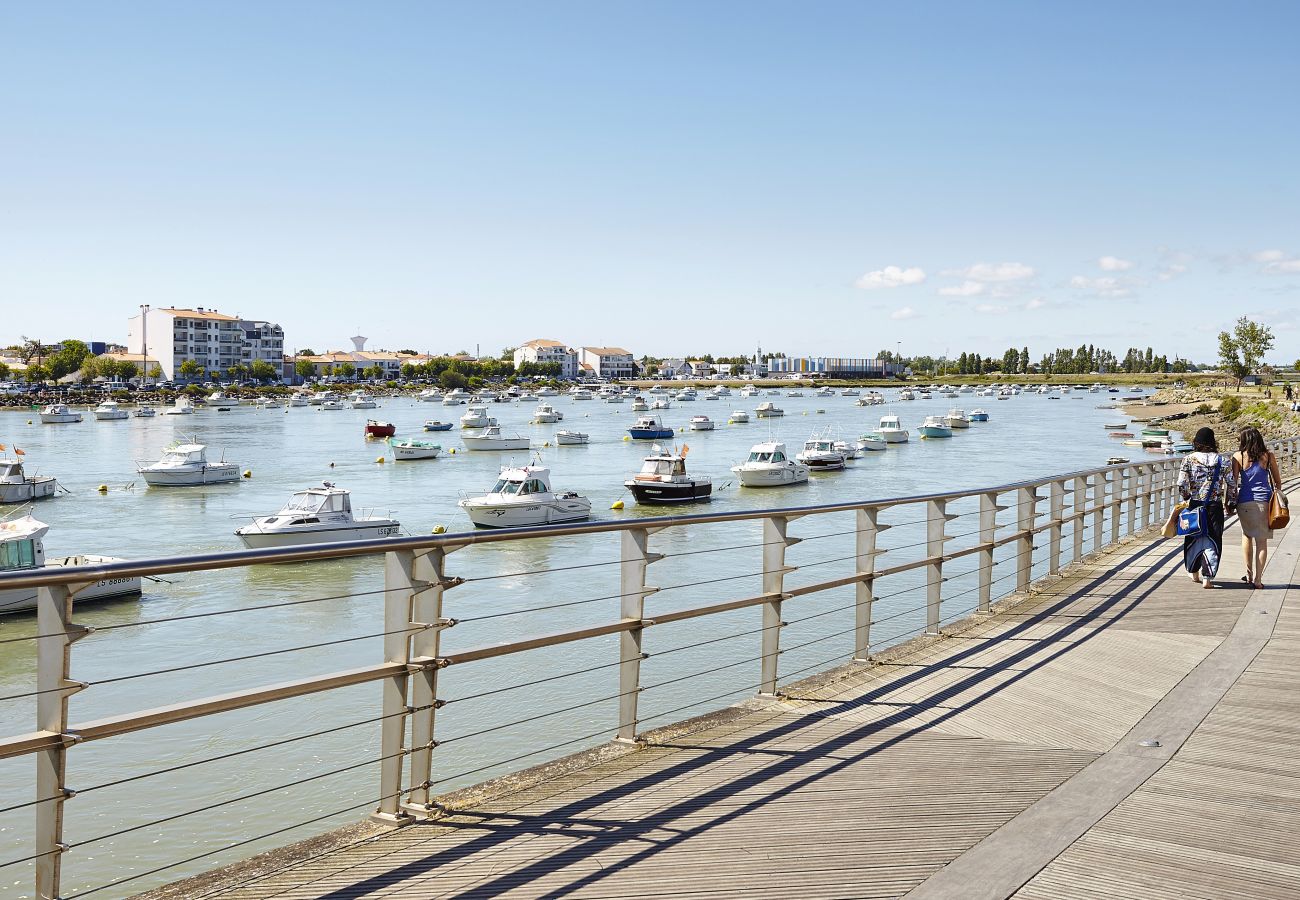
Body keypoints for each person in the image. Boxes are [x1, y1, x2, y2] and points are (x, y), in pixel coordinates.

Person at [1177, 427, 1237, 589]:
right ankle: (1207, 578)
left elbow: (1181, 484)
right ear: (1213, 442)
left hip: (1195, 504)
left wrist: (1187, 497)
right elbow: (1231, 484)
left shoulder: (1188, 459)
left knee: (1192, 537)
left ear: (1196, 442)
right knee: (1213, 539)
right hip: (1214, 506)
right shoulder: (1222, 460)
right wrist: (1230, 503)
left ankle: (1194, 572)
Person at [1232, 426, 1281, 588]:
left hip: (1244, 502)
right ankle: (1258, 580)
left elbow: (1233, 483)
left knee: (1247, 536)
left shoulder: (1238, 456)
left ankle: (1249, 574)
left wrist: (1228, 503)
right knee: (1262, 542)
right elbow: (1278, 481)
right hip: (1265, 503)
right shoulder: (1268, 456)